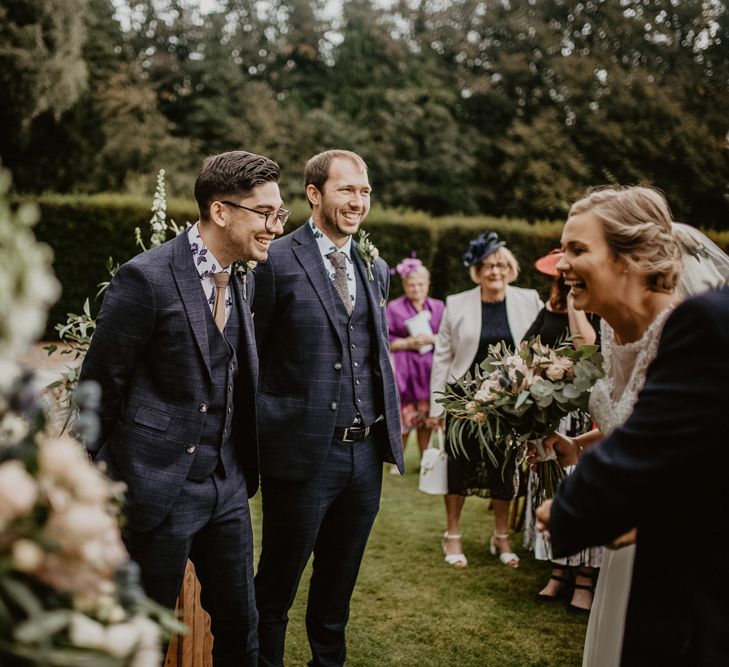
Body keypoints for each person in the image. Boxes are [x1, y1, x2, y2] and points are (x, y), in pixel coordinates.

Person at [79, 150, 287, 666]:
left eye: (278, 214)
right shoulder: (145, 279)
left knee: (243, 629)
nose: (275, 228)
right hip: (153, 491)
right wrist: (101, 484)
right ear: (221, 211)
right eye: (265, 213)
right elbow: (99, 387)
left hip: (227, 487)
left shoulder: (246, 275)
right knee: (142, 636)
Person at [530, 186, 729, 667]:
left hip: (690, 563)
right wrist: (579, 447)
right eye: (563, 250)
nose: (561, 266)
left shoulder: (692, 332)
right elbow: (649, 426)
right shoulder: (610, 333)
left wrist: (593, 505)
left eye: (577, 250)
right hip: (629, 545)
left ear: (631, 258)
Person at [251, 149, 404, 667]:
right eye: (346, 190)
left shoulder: (375, 266)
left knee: (337, 591)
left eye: (363, 191)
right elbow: (250, 355)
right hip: (300, 454)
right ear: (314, 194)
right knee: (275, 587)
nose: (357, 201)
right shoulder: (275, 260)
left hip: (364, 459)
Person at [429, 232, 542, 568]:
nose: (495, 271)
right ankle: (452, 535)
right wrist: (438, 408)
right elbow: (443, 357)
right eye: (488, 265)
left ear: (511, 268)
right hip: (464, 401)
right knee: (458, 469)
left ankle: (502, 535)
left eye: (501, 264)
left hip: (508, 401)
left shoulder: (529, 299)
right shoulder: (457, 303)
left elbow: (536, 349)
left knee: (504, 470)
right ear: (477, 270)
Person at [522, 249, 601, 612]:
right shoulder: (551, 307)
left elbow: (590, 353)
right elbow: (525, 347)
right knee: (555, 486)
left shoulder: (601, 309)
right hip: (555, 411)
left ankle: (586, 575)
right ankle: (559, 569)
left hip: (591, 414)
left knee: (590, 491)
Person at [386, 256, 445, 472]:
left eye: (420, 284)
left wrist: (432, 339)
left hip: (430, 373)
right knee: (402, 421)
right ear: (404, 286)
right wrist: (406, 342)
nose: (416, 288)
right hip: (405, 372)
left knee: (425, 420)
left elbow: (449, 339)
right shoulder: (393, 308)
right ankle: (396, 461)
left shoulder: (439, 307)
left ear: (428, 285)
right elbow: (385, 339)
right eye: (411, 285)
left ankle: (424, 461)